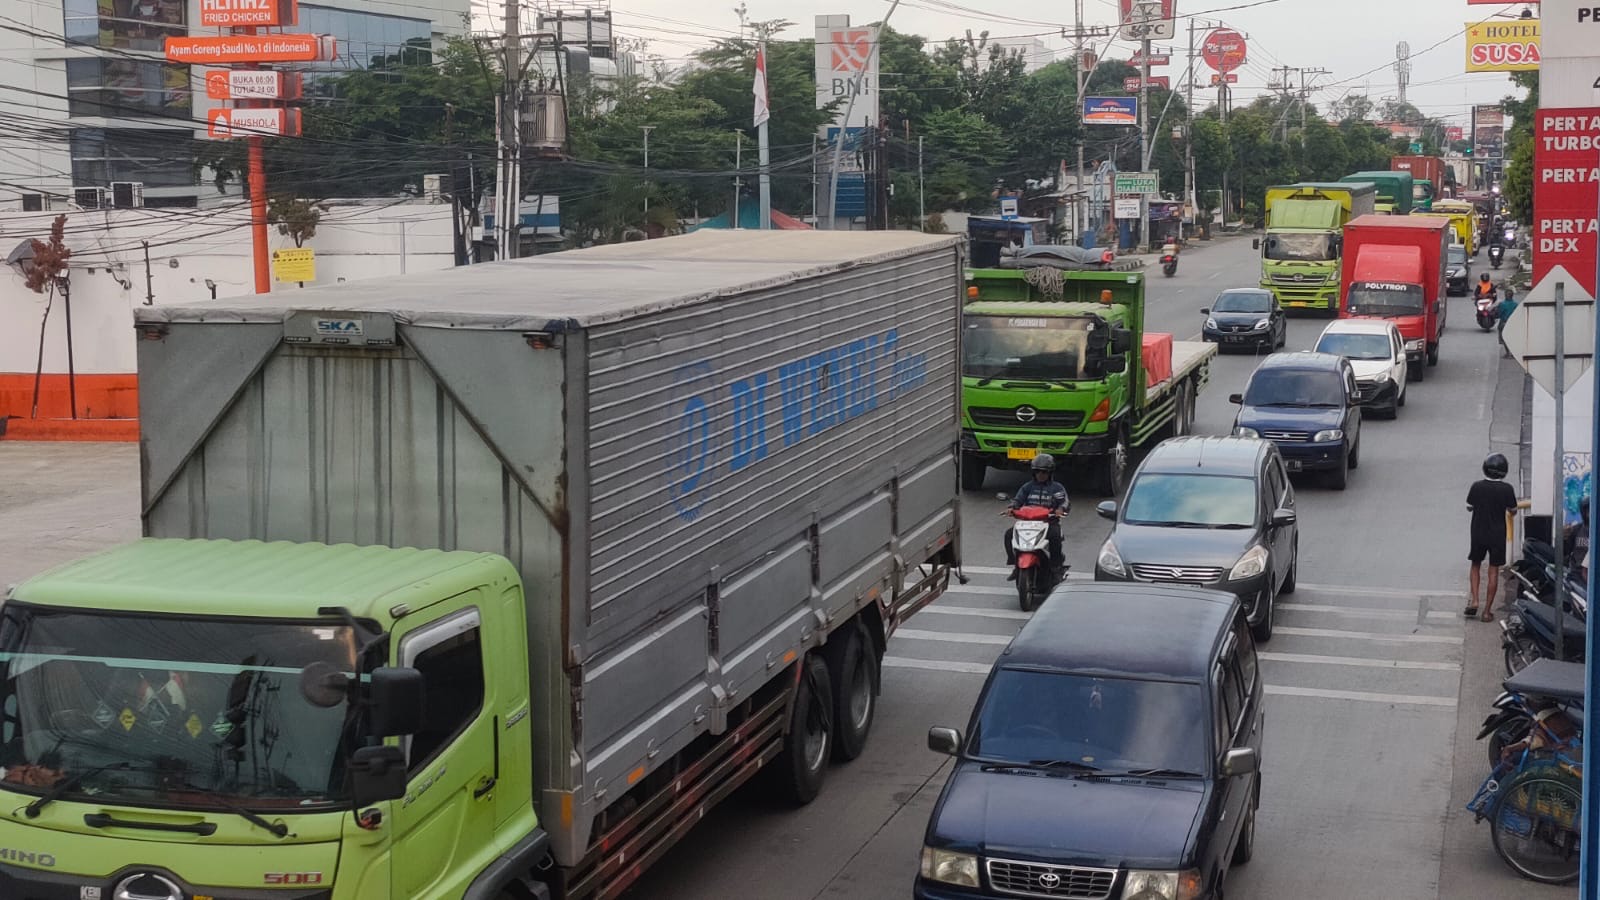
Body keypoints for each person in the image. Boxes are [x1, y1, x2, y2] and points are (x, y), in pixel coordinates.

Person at [1467, 452, 1520, 621]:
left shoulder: (1476, 486)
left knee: (1475, 564)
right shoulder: (1507, 489)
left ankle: (1475, 600)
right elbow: (1513, 509)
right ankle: (1487, 611)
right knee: (1493, 570)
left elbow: (1469, 506)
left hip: (1478, 531)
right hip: (1497, 534)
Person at [1004, 453, 1068, 579]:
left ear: (1050, 473)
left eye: (1044, 472)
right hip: (1027, 523)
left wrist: (1060, 509)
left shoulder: (1057, 488)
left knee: (1055, 537)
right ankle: (1015, 564)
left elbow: (1064, 502)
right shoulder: (1027, 487)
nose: (1041, 474)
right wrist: (1012, 508)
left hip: (1048, 523)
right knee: (1008, 534)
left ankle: (1056, 568)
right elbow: (1017, 500)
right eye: (1037, 471)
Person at [1496, 288, 1518, 357]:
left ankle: (1508, 352)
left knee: (1504, 338)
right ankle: (1513, 353)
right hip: (1513, 324)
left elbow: (1499, 314)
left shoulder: (1502, 304)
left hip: (1504, 323)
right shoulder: (1516, 304)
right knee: (1513, 339)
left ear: (1505, 295)